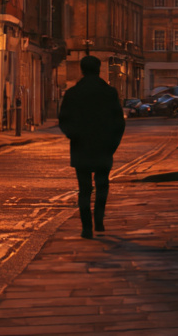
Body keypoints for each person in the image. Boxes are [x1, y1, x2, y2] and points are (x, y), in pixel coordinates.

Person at [57, 55, 125, 238]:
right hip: (104, 147)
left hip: (81, 146)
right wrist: (113, 144)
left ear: (82, 70)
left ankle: (87, 227)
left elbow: (63, 120)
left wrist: (74, 135)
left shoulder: (73, 93)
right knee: (102, 185)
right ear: (99, 70)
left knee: (84, 189)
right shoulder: (109, 93)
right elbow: (119, 122)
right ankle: (99, 221)